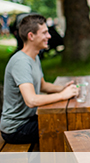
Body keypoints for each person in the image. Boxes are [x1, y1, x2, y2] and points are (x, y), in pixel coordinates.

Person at [0, 14, 78, 144]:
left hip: (28, 120)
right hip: (16, 128)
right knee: (65, 126)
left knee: (63, 120)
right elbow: (31, 100)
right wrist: (63, 95)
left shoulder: (34, 57)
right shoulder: (21, 62)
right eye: (45, 33)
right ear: (31, 36)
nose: (49, 36)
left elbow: (43, 86)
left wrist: (63, 89)